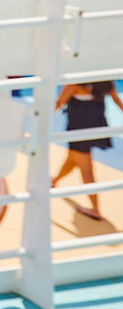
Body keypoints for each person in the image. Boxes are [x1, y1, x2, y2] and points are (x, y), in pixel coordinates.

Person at [52, 81, 123, 220]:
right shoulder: (105, 82)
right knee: (72, 159)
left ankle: (95, 208)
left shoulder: (75, 84)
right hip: (95, 128)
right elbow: (116, 100)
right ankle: (53, 181)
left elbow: (58, 105)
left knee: (86, 170)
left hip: (79, 131)